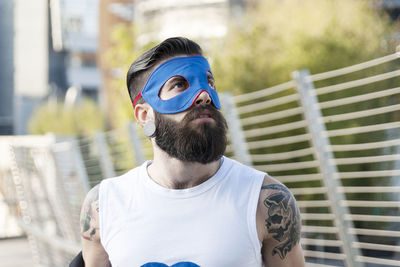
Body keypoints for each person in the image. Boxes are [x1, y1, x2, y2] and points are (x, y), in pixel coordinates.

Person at [79, 37, 305, 267]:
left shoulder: (266, 201)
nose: (204, 94)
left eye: (209, 82)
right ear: (144, 115)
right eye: (179, 85)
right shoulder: (103, 206)